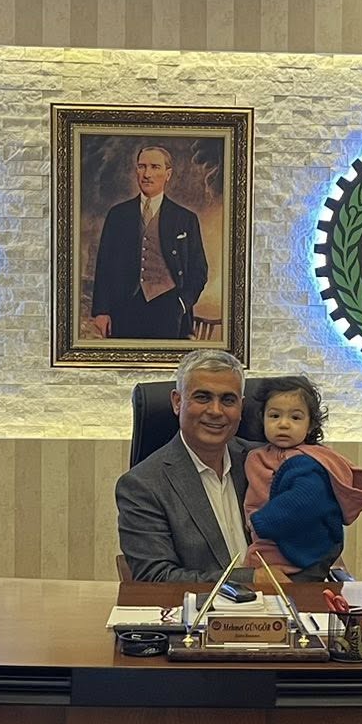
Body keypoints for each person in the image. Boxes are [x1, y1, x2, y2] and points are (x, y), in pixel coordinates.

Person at [116, 348, 260, 583]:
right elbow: (156, 578)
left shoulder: (263, 462)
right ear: (177, 402)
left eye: (228, 400)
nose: (216, 411)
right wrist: (250, 578)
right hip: (197, 607)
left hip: (281, 603)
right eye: (203, 397)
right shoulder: (142, 486)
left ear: (241, 407)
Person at [242, 375, 362, 582]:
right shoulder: (258, 455)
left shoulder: (309, 460)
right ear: (262, 418)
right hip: (268, 541)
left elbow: (304, 498)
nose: (283, 424)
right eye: (274, 416)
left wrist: (260, 522)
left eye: (295, 418)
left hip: (299, 551)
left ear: (310, 425)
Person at [89, 143, 208, 340]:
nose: (147, 174)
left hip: (169, 310)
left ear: (168, 174)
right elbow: (104, 266)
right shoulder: (118, 215)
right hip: (124, 309)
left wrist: (181, 304)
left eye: (155, 167)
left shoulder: (185, 219)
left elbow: (199, 270)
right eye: (142, 166)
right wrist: (101, 311)